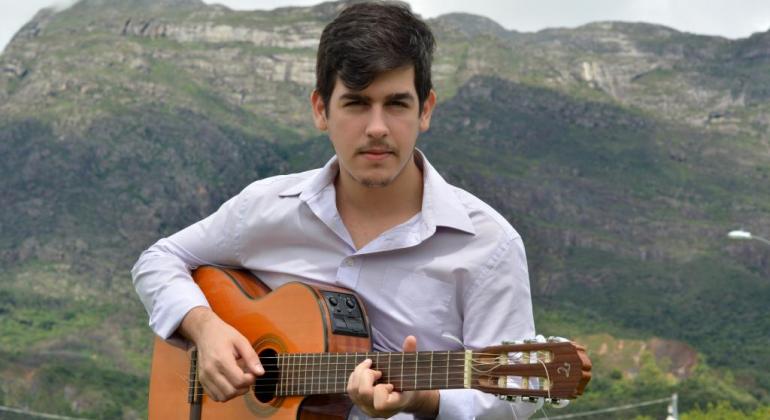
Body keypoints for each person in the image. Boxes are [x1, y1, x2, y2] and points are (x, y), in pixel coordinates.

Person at [132, 1, 536, 418]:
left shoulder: (489, 246)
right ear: (321, 109)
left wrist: (426, 399)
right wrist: (205, 328)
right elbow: (158, 260)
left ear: (425, 110)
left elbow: (512, 402)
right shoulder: (265, 209)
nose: (377, 127)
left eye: (396, 104)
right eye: (357, 103)